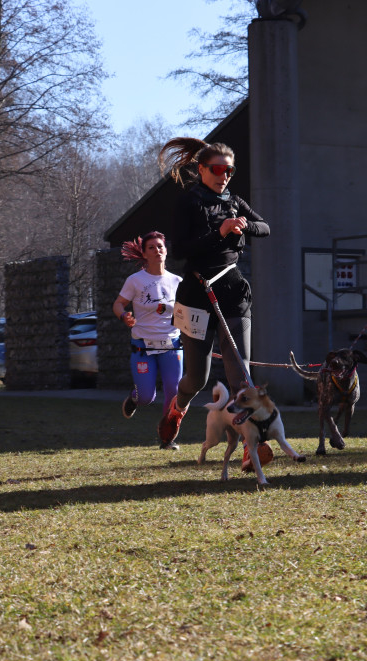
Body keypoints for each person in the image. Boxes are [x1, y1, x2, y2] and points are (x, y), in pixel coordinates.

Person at [155, 137, 271, 465]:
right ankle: (177, 409)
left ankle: (250, 445)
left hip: (233, 291)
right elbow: (181, 251)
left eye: (229, 171)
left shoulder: (234, 201)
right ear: (202, 169)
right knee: (197, 377)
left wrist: (244, 225)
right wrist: (220, 232)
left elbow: (265, 227)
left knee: (240, 373)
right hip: (197, 294)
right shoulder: (188, 202)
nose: (224, 176)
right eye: (217, 170)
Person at [113, 231, 184, 450]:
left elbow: (186, 313)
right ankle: (134, 398)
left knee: (174, 394)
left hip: (171, 345)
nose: (157, 250)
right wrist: (124, 316)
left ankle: (167, 438)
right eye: (151, 247)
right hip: (143, 346)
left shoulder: (177, 281)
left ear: (166, 250)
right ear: (144, 254)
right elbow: (118, 304)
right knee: (146, 397)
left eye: (160, 246)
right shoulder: (135, 281)